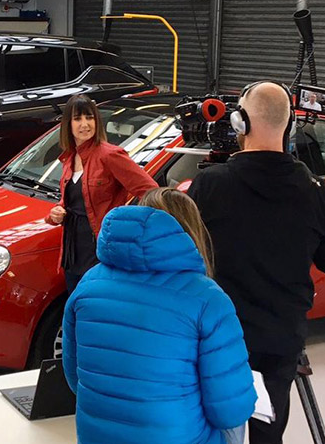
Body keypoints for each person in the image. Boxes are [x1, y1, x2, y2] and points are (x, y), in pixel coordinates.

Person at [188, 81, 325, 444]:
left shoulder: (210, 185)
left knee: (213, 430)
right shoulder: (316, 192)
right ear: (290, 125)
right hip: (280, 339)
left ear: (239, 123)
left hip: (220, 337)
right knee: (267, 434)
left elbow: (189, 257)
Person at [62, 187, 255, 444]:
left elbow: (75, 379)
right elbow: (230, 411)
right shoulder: (208, 298)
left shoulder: (88, 284)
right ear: (192, 231)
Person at [45, 94, 158, 293]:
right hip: (72, 250)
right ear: (67, 124)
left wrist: (130, 224)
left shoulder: (110, 154)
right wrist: (56, 212)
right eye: (78, 118)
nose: (85, 124)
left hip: (100, 249)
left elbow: (151, 191)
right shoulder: (70, 157)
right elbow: (73, 198)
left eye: (89, 117)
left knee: (97, 305)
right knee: (77, 305)